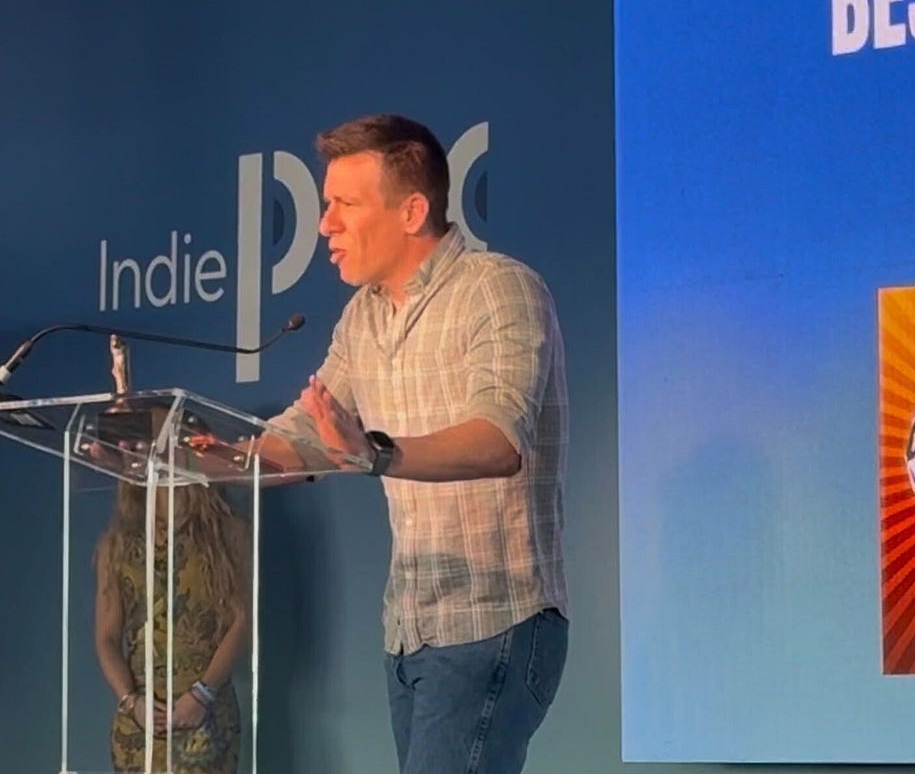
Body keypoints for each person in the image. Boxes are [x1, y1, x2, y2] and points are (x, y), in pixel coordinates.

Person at [267, 113, 570, 774]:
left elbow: (498, 441)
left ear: (411, 211)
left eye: (344, 205)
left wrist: (373, 453)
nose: (324, 225)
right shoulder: (364, 315)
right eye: (325, 205)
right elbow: (305, 434)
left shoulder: (497, 288)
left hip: (493, 619)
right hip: (410, 631)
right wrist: (201, 455)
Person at [93, 481, 250, 774]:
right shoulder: (117, 545)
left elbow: (242, 621)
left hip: (205, 717)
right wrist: (131, 701)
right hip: (140, 722)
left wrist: (203, 693)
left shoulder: (226, 534)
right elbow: (107, 638)